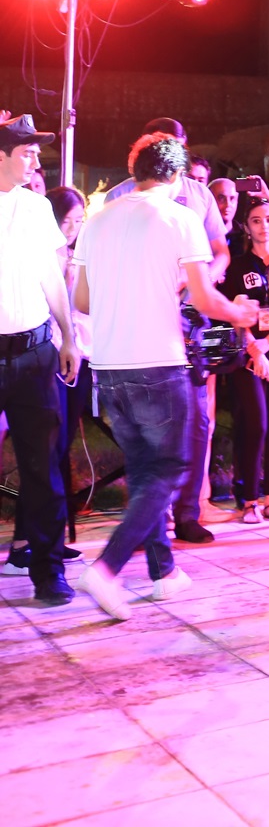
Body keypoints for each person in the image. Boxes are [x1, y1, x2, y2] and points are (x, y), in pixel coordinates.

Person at [73, 133, 259, 620]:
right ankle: (106, 568)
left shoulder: (98, 220)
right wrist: (240, 313)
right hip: (158, 363)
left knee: (144, 472)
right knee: (170, 469)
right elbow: (205, 299)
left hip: (109, 368)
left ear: (136, 172)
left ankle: (164, 572)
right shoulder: (180, 218)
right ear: (176, 175)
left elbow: (82, 301)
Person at [106, 117, 229, 543]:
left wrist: (200, 279)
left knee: (196, 420)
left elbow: (221, 251)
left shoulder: (198, 195)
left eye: (178, 145)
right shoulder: (119, 196)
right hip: (142, 318)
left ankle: (188, 513)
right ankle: (150, 524)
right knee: (147, 426)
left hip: (190, 318)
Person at [0, 114, 79, 605]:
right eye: (26, 151)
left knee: (43, 467)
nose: (35, 160)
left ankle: (49, 572)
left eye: (36, 152)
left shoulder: (35, 207)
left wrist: (68, 336)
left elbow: (53, 276)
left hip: (34, 354)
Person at [220, 196, 269, 524]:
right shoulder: (237, 265)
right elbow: (231, 312)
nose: (264, 225)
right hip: (247, 349)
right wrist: (255, 348)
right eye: (256, 220)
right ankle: (249, 501)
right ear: (246, 227)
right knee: (256, 424)